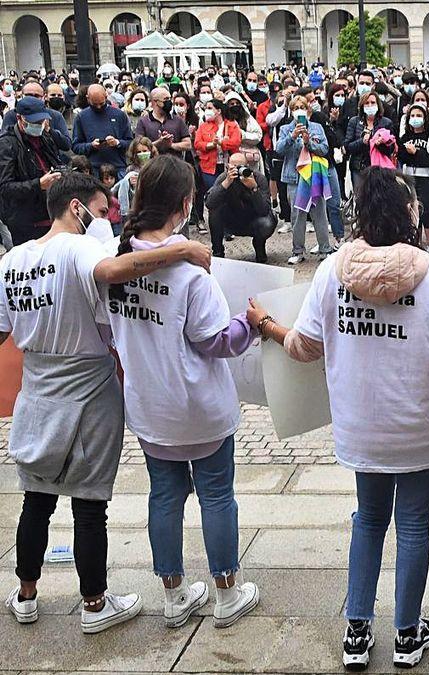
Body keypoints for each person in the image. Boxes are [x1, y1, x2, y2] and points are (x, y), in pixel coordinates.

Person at [251, 166, 429, 671]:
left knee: (369, 520)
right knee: (414, 525)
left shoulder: (334, 272)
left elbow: (305, 347)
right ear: (407, 214)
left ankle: (356, 632)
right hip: (421, 424)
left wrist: (266, 324)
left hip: (361, 425)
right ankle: (407, 633)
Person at [1, 171, 210, 634]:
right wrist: (182, 249)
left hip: (37, 387)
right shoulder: (78, 248)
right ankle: (94, 603)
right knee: (89, 503)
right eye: (99, 211)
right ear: (76, 207)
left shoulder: (12, 259)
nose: (103, 222)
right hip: (87, 386)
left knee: (35, 499)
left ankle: (26, 593)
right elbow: (114, 271)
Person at [102, 154, 261, 630]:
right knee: (217, 495)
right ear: (185, 203)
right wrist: (250, 324)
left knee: (164, 497)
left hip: (149, 405)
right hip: (199, 407)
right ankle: (226, 592)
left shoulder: (115, 263)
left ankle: (173, 594)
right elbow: (218, 341)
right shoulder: (191, 271)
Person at [277, 94, 336, 265]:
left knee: (319, 215)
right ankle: (297, 251)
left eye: (302, 107)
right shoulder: (285, 129)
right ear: (291, 111)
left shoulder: (316, 127)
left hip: (315, 176)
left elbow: (324, 149)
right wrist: (292, 137)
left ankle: (325, 249)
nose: (299, 111)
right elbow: (279, 149)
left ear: (308, 109)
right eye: (295, 108)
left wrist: (309, 142)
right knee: (297, 216)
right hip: (294, 178)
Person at [0, 97, 66, 245]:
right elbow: (5, 188)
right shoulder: (7, 144)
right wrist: (38, 184)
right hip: (25, 221)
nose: (38, 126)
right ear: (19, 118)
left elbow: (58, 158)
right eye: (34, 122)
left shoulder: (44, 137)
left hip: (50, 212)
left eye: (41, 121)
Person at [205, 152, 275, 263]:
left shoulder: (258, 178)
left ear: (247, 166)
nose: (237, 170)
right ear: (228, 166)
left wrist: (254, 188)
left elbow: (264, 210)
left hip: (254, 219)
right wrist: (226, 183)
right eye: (233, 167)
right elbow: (209, 203)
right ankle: (218, 252)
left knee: (267, 223)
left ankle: (259, 246)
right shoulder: (224, 178)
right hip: (231, 220)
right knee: (215, 211)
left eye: (240, 167)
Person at [396, 103, 429, 248]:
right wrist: (407, 154)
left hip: (427, 177)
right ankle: (416, 242)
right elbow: (402, 157)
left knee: (427, 210)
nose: (415, 118)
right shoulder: (405, 136)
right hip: (409, 177)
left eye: (419, 115)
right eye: (413, 116)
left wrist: (416, 153)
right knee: (412, 211)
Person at [72, 84, 133, 175]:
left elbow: (130, 142)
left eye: (101, 103)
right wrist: (91, 146)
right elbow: (75, 146)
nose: (98, 107)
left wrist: (117, 143)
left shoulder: (119, 115)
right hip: (93, 170)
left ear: (106, 96)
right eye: (94, 104)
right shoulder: (81, 117)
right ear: (87, 98)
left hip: (117, 168)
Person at [193, 98, 243, 198]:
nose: (207, 111)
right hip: (209, 166)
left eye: (210, 108)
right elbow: (197, 143)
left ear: (219, 111)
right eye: (206, 108)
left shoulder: (232, 125)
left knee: (229, 194)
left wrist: (222, 142)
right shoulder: (203, 126)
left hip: (228, 165)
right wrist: (211, 145)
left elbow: (236, 142)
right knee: (214, 193)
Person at [345, 90, 392, 188]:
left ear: (378, 105)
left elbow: (390, 149)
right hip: (359, 168)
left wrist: (381, 144)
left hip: (379, 169)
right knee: (360, 200)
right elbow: (348, 146)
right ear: (362, 106)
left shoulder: (386, 123)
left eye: (373, 103)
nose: (370, 105)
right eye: (367, 103)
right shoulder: (354, 122)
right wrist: (362, 141)